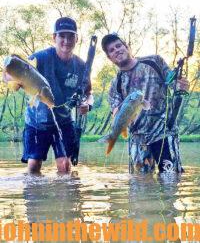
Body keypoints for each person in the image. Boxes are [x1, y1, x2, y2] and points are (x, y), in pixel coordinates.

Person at [101, 33, 189, 173]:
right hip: (138, 139)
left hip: (164, 132)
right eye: (111, 50)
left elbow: (173, 84)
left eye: (119, 46)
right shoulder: (115, 84)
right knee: (139, 186)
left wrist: (181, 85)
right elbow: (116, 110)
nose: (116, 50)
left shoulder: (154, 61)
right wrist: (119, 118)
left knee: (171, 179)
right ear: (109, 58)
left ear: (127, 47)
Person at [20, 17, 93, 173]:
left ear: (77, 39)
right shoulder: (40, 58)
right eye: (62, 36)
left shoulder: (81, 66)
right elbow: (15, 70)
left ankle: (66, 195)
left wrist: (88, 104)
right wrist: (12, 77)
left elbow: (88, 92)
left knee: (65, 167)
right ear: (54, 37)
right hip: (37, 121)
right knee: (33, 167)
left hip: (64, 121)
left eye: (71, 36)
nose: (66, 40)